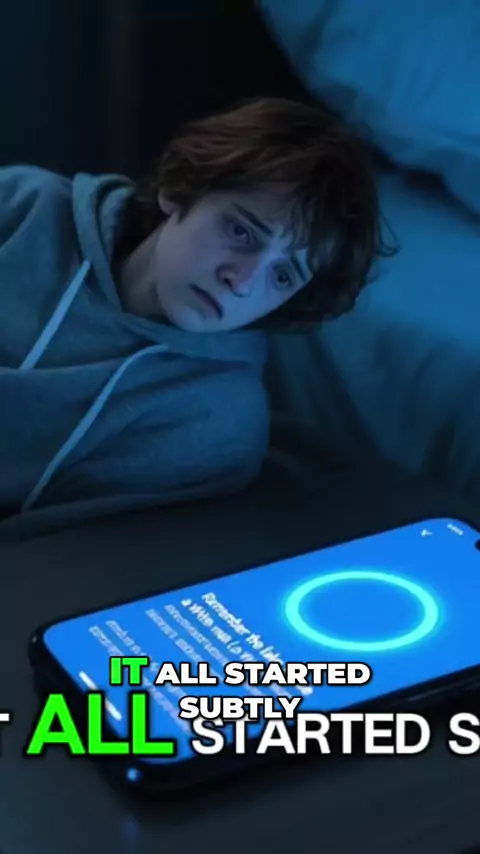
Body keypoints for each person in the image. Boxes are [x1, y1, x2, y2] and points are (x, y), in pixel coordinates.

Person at [0, 97, 389, 542]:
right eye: (240, 231)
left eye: (282, 276)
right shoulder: (21, 204)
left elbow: (41, 564)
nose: (241, 281)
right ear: (179, 188)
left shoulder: (213, 422)